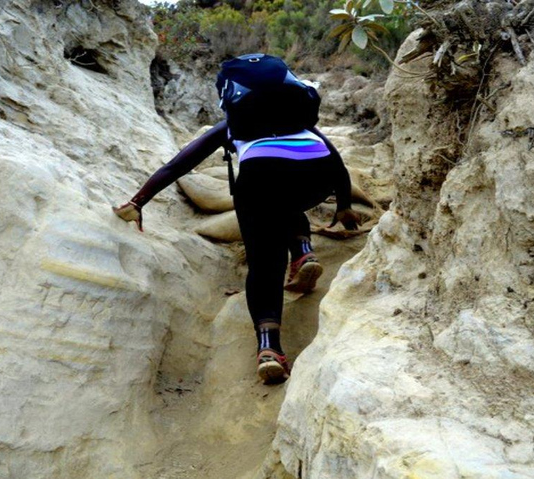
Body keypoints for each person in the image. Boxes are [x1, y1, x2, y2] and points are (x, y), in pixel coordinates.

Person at [113, 66, 359, 385]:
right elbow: (337, 163)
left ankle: (269, 350)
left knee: (265, 264)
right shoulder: (299, 120)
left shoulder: (235, 124)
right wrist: (344, 206)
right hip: (316, 175)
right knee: (287, 201)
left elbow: (180, 163)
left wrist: (138, 201)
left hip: (260, 177)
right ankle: (303, 250)